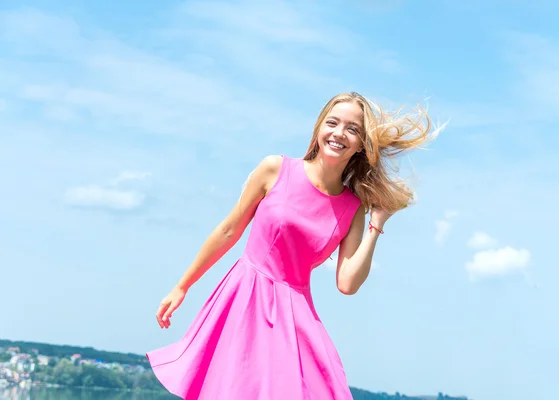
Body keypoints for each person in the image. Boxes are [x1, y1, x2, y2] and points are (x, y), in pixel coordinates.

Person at [146, 92, 440, 399]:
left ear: (361, 144)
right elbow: (228, 230)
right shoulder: (275, 169)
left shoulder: (353, 207)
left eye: (352, 129)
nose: (339, 133)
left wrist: (376, 224)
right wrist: (183, 286)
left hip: (294, 317)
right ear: (318, 128)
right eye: (333, 122)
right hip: (244, 299)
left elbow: (347, 283)